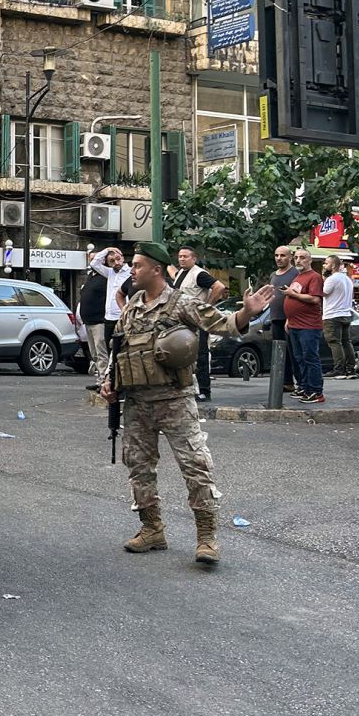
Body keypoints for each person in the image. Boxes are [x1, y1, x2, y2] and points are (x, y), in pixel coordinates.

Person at [100, 242, 273, 566]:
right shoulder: (133, 304)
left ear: (155, 269)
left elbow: (221, 324)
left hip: (174, 400)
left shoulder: (181, 303)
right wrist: (109, 381)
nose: (132, 270)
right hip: (137, 402)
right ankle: (152, 530)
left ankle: (207, 538)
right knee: (138, 467)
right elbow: (118, 346)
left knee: (195, 467)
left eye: (137, 265)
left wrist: (248, 312)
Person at [172, 245, 227, 402]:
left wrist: (206, 306)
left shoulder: (199, 274)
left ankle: (204, 391)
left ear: (194, 258)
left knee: (201, 356)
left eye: (185, 256)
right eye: (180, 256)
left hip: (197, 322)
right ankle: (188, 388)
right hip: (183, 321)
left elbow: (219, 287)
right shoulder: (181, 273)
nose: (182, 259)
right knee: (185, 356)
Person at [282, 249, 326, 403]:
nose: (298, 260)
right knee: (299, 358)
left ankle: (316, 391)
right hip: (294, 324)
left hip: (309, 326)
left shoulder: (314, 277)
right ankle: (304, 387)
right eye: (296, 258)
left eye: (302, 258)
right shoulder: (298, 277)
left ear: (310, 260)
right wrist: (289, 318)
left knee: (310, 358)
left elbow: (315, 299)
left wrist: (292, 294)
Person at [269, 246, 300, 392]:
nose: (279, 258)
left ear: (290, 257)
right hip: (275, 318)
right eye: (276, 255)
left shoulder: (296, 273)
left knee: (294, 352)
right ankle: (287, 382)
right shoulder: (273, 275)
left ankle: (301, 383)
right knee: (280, 352)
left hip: (291, 319)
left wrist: (291, 316)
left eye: (282, 255)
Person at [322, 256, 357, 379]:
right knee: (346, 342)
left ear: (333, 266)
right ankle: (350, 369)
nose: (324, 266)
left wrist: (324, 279)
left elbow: (323, 293)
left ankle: (339, 370)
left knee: (334, 342)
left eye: (326, 263)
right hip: (346, 313)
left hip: (332, 314)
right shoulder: (347, 279)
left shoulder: (332, 279)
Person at [90, 246, 132, 350]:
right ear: (108, 263)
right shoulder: (109, 272)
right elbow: (94, 263)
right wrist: (107, 249)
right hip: (109, 317)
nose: (116, 263)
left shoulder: (130, 272)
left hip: (122, 317)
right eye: (112, 261)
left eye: (118, 259)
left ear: (122, 258)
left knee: (122, 347)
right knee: (109, 347)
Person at [80, 251, 109, 376]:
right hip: (88, 321)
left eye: (95, 259)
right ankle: (100, 378)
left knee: (101, 352)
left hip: (99, 321)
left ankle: (104, 380)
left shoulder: (107, 276)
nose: (92, 262)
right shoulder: (91, 276)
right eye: (90, 259)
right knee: (95, 354)